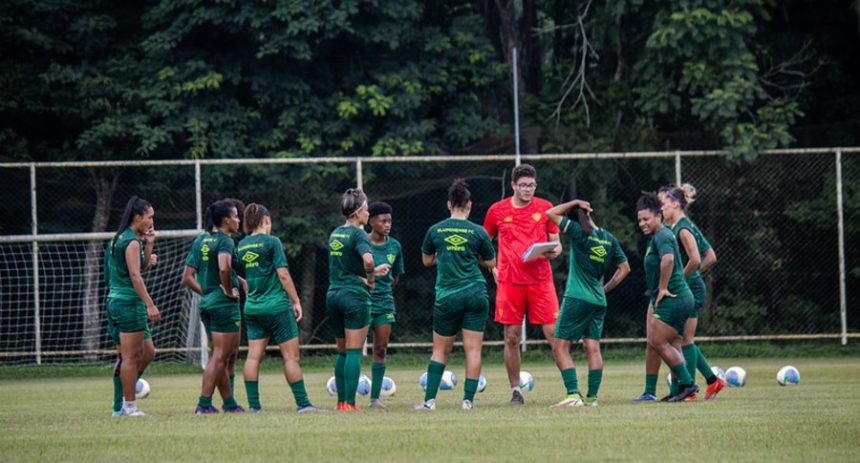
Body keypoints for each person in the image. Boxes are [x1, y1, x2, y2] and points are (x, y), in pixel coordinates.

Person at [415, 179, 496, 411]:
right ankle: (468, 401)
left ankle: (429, 401)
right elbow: (491, 261)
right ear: (469, 205)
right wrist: (470, 256)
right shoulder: (478, 232)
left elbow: (426, 260)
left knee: (440, 350)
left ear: (449, 205)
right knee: (473, 349)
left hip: (447, 296)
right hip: (475, 294)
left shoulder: (436, 230)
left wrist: (446, 253)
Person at [483, 164, 561, 405]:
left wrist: (553, 252)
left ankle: (572, 389)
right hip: (510, 283)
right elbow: (484, 245)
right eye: (524, 185)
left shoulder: (546, 208)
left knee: (555, 335)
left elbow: (557, 244)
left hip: (541, 281)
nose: (528, 189)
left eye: (532, 185)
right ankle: (516, 391)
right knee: (512, 338)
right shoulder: (497, 210)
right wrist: (493, 267)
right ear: (514, 186)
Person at [236, 203, 323, 413]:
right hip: (276, 307)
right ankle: (303, 404)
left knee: (253, 356)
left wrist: (249, 288)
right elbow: (283, 274)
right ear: (266, 221)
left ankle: (254, 407)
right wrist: (296, 301)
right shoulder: (272, 242)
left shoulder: (241, 245)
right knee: (291, 357)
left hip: (252, 308)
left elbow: (237, 274)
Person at [545, 198, 630, 407]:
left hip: (577, 297)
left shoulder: (578, 232)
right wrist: (605, 289)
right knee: (592, 347)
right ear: (589, 214)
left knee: (560, 348)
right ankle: (592, 398)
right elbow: (625, 268)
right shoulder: (608, 238)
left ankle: (573, 394)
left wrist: (574, 202)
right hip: (598, 301)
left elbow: (551, 213)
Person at [659, 184, 725, 400]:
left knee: (683, 341)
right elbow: (710, 257)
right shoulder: (683, 225)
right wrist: (691, 276)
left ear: (676, 204)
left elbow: (697, 259)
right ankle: (712, 381)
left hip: (689, 289)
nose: (660, 208)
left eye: (662, 203)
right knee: (680, 339)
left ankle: (687, 391)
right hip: (689, 286)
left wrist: (682, 279)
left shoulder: (683, 228)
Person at [633, 192, 698, 402]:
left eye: (646, 219)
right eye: (640, 220)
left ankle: (688, 384)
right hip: (680, 298)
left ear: (658, 215)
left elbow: (668, 260)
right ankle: (678, 390)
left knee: (657, 340)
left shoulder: (662, 235)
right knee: (674, 344)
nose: (642, 223)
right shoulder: (658, 236)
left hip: (674, 298)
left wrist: (662, 288)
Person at [186, 200, 244, 414]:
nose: (239, 220)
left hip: (208, 304)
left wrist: (209, 293)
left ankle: (229, 404)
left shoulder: (201, 240)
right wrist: (227, 290)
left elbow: (188, 277)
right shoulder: (225, 241)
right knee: (220, 356)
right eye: (236, 216)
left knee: (224, 355)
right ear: (226, 220)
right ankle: (204, 404)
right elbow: (223, 267)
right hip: (223, 305)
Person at [105, 196, 161, 416]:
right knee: (130, 358)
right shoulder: (130, 241)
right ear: (137, 217)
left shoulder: (119, 238)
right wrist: (150, 305)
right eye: (149, 217)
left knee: (148, 352)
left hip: (117, 302)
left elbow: (135, 269)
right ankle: (127, 406)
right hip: (128, 303)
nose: (151, 221)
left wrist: (149, 245)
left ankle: (125, 395)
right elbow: (136, 277)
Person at [327, 188, 375, 412]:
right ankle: (351, 404)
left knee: (343, 351)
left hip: (334, 295)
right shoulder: (358, 234)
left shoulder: (335, 233)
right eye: (366, 209)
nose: (368, 213)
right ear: (356, 213)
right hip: (353, 297)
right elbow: (367, 260)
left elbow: (344, 267)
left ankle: (341, 403)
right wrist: (371, 279)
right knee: (354, 351)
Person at [365, 202, 405, 409]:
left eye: (389, 220)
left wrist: (384, 288)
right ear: (371, 221)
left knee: (380, 349)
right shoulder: (361, 243)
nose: (387, 224)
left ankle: (374, 399)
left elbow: (396, 276)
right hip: (361, 302)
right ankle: (346, 399)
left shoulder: (394, 246)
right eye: (383, 221)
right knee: (351, 350)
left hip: (384, 303)